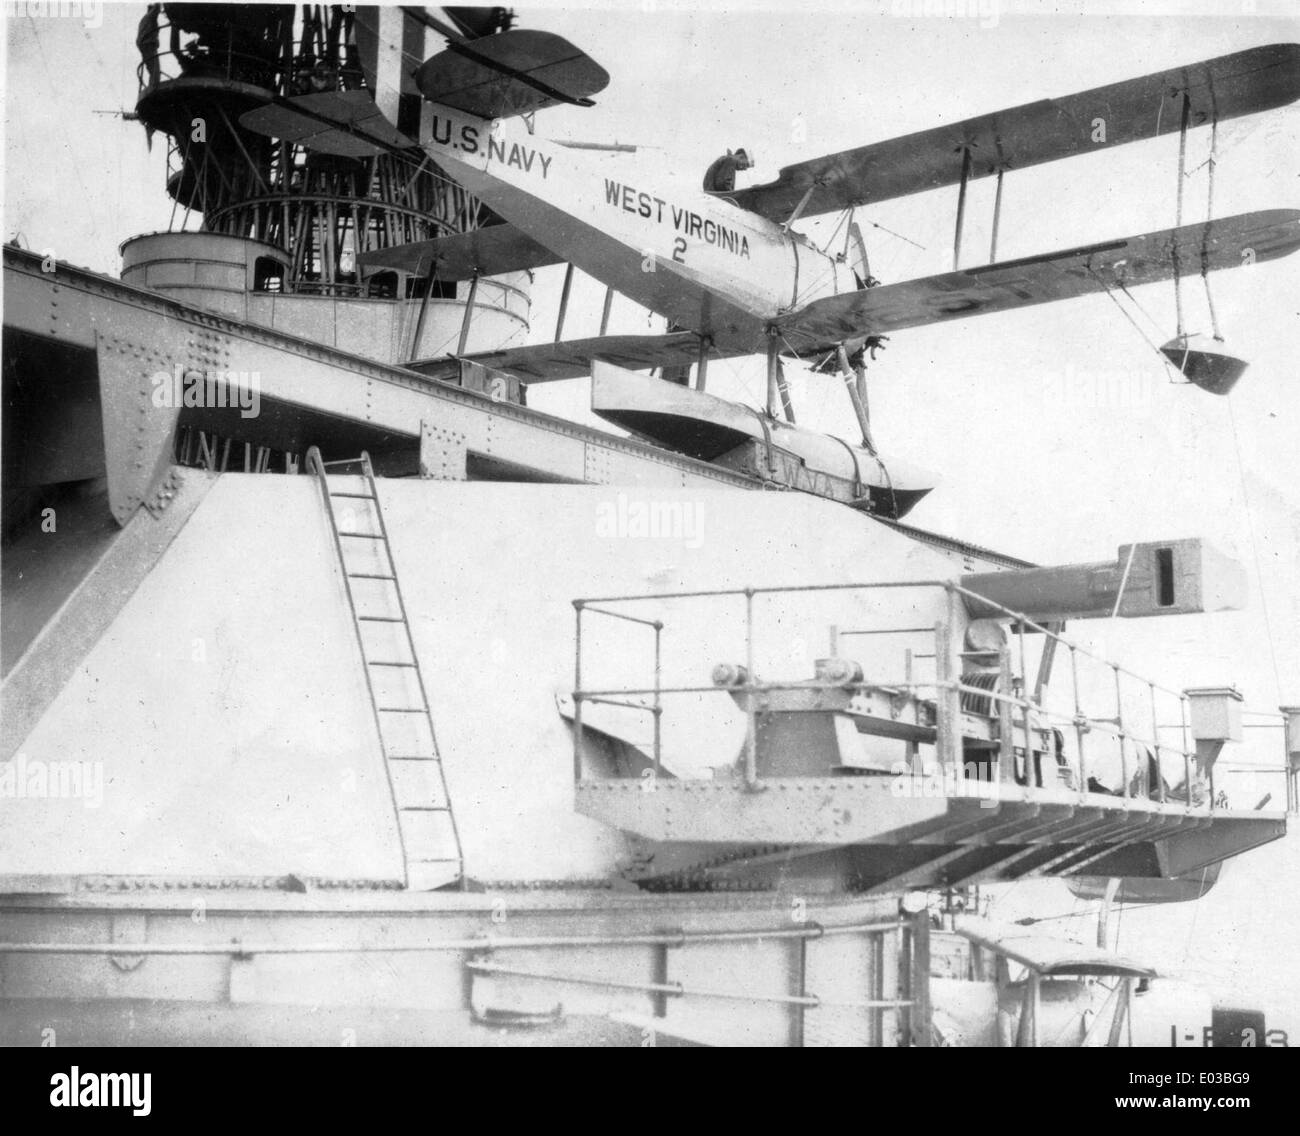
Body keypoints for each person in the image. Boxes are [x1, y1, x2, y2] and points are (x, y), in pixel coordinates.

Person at [136, 4, 161, 87]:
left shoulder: (144, 19)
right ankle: (153, 87)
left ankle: (151, 86)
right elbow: (157, 7)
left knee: (151, 69)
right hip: (149, 44)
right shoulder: (150, 16)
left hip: (143, 45)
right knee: (155, 70)